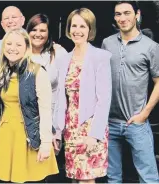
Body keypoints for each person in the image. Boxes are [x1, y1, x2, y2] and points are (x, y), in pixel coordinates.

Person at [0, 28, 58, 183]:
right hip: (6, 136)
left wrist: (46, 143)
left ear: (27, 47)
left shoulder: (37, 72)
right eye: (9, 43)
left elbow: (45, 110)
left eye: (18, 45)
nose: (12, 48)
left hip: (29, 136)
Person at [101, 1, 159, 183]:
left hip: (136, 122)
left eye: (127, 13)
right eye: (118, 14)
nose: (122, 18)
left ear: (137, 14)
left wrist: (144, 114)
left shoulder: (150, 46)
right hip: (109, 122)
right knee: (112, 177)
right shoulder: (107, 43)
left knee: (148, 177)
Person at [53, 8, 112, 183]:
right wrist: (57, 132)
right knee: (74, 176)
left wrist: (94, 134)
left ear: (90, 29)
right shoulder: (64, 59)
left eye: (82, 26)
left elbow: (104, 99)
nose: (77, 30)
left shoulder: (100, 57)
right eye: (74, 26)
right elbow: (60, 99)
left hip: (91, 126)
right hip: (70, 127)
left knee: (87, 179)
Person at [26, 14, 68, 147]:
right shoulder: (20, 53)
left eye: (43, 30)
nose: (38, 34)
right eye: (34, 30)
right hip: (26, 122)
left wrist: (58, 129)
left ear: (49, 33)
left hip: (52, 120)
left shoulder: (58, 53)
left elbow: (64, 92)